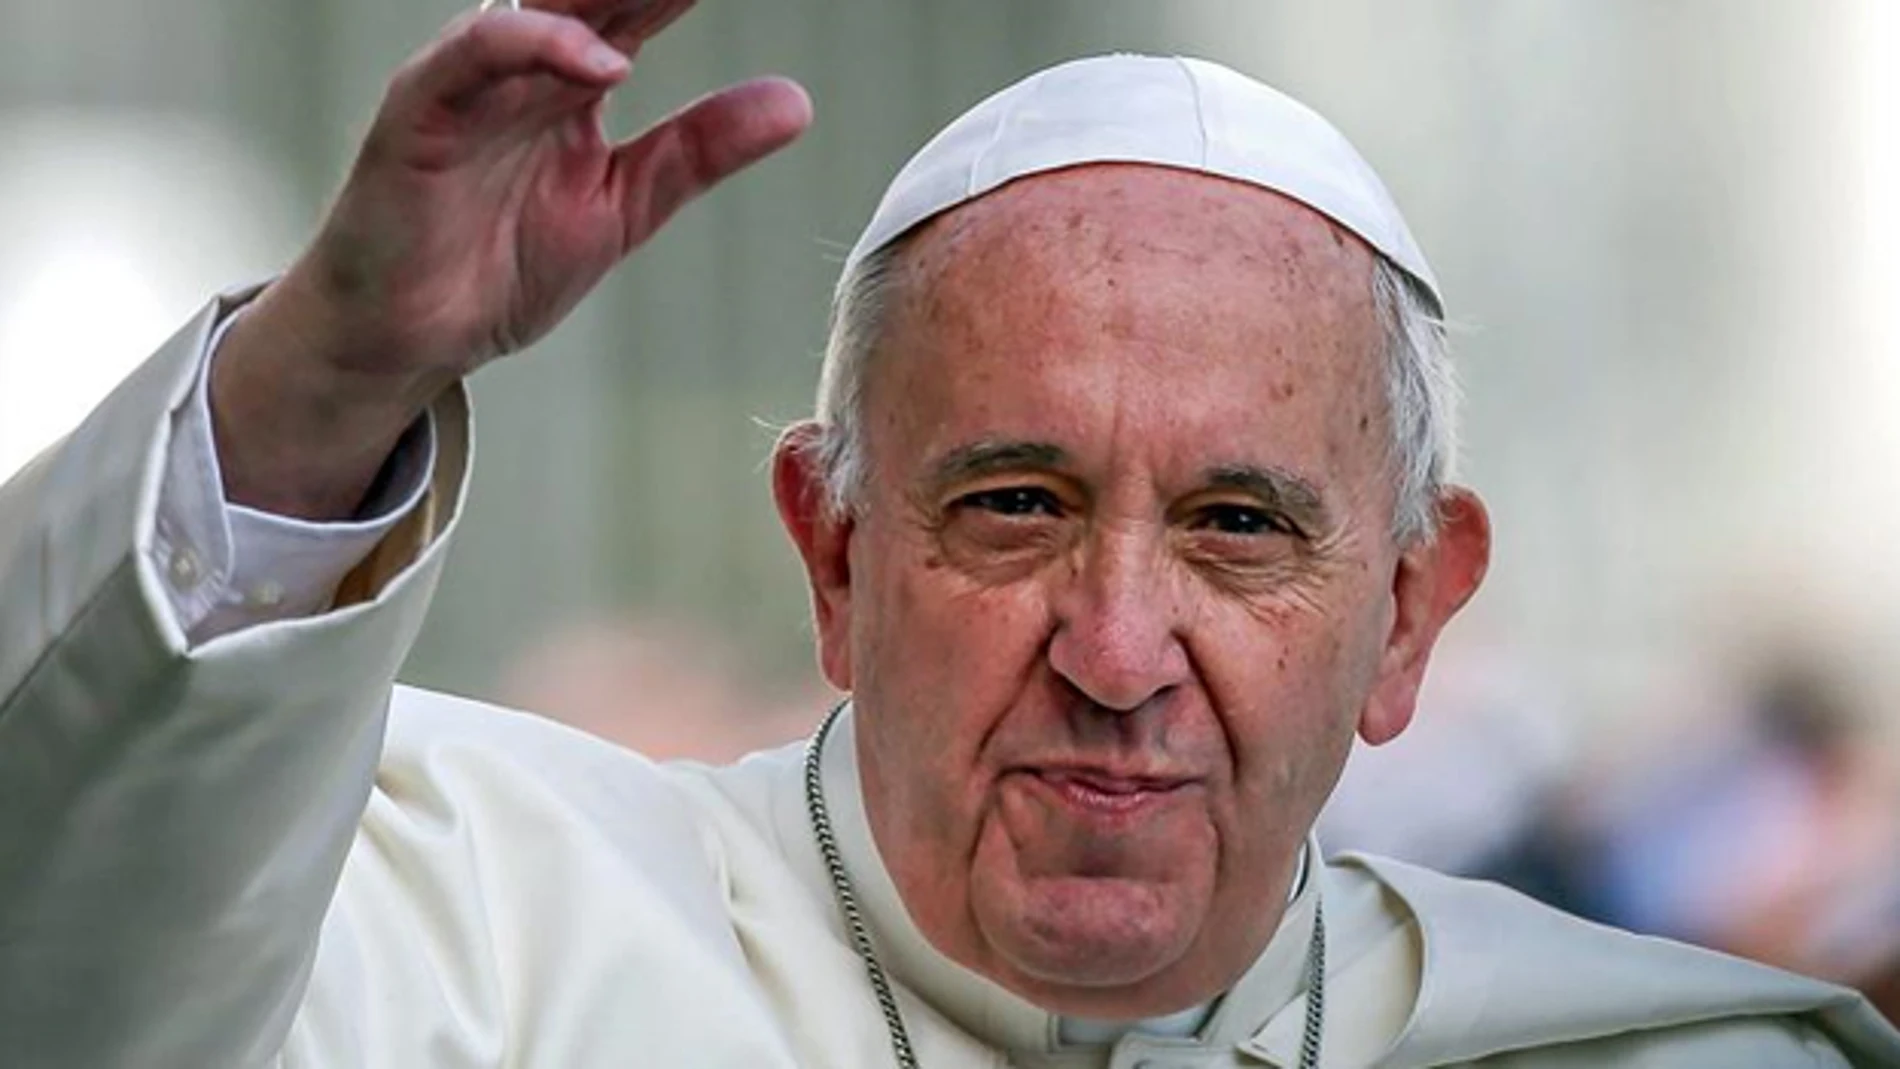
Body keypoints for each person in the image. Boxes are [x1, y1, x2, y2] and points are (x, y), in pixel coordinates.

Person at [1, 2, 1894, 1066]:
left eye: (1239, 528)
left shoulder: (1661, 1064)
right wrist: (330, 373)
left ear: (1409, 617)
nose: (1119, 647)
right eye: (1014, 506)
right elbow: (77, 987)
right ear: (830, 558)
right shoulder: (453, 931)